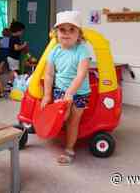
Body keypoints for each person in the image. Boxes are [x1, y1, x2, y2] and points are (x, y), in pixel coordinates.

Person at [41, 11, 91, 165]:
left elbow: (81, 74)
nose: (67, 33)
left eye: (72, 30)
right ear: (56, 33)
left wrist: (71, 92)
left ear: (79, 34)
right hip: (61, 89)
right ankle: (61, 127)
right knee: (63, 115)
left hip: (80, 91)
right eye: (63, 30)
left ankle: (69, 149)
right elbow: (49, 74)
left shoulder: (82, 50)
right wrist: (47, 95)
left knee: (73, 121)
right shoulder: (54, 50)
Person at [7, 21, 27, 87]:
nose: (22, 33)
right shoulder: (15, 38)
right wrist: (24, 45)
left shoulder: (13, 37)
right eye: (22, 31)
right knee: (15, 71)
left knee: (13, 70)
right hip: (13, 58)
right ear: (18, 31)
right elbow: (16, 48)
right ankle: (11, 83)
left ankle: (10, 82)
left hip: (11, 57)